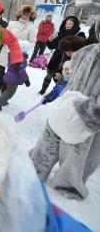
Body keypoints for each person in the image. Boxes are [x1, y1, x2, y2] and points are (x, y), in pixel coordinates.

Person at [30, 39, 100, 200]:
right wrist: (64, 93)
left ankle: (69, 183)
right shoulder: (87, 50)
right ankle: (36, 167)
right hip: (68, 103)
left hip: (91, 114)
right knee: (50, 138)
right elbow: (73, 75)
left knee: (78, 150)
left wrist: (93, 113)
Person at [39, 16, 86, 95]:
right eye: (66, 23)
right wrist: (49, 40)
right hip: (56, 58)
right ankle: (43, 90)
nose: (67, 25)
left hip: (68, 60)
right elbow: (51, 46)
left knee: (63, 78)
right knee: (49, 75)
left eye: (70, 24)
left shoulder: (80, 34)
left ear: (75, 25)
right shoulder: (60, 34)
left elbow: (82, 47)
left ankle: (58, 93)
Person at [0, 5, 36, 91]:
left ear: (30, 15)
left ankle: (5, 87)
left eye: (27, 14)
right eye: (23, 13)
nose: (25, 16)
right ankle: (1, 84)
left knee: (11, 71)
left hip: (18, 52)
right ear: (20, 13)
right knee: (0, 68)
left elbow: (32, 42)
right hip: (6, 49)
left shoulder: (31, 27)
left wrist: (20, 45)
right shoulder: (11, 23)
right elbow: (5, 35)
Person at [0, 42, 31, 111]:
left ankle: (3, 101)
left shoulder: (12, 54)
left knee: (6, 90)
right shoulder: (21, 59)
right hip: (14, 79)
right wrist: (26, 80)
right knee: (10, 93)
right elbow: (21, 71)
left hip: (8, 76)